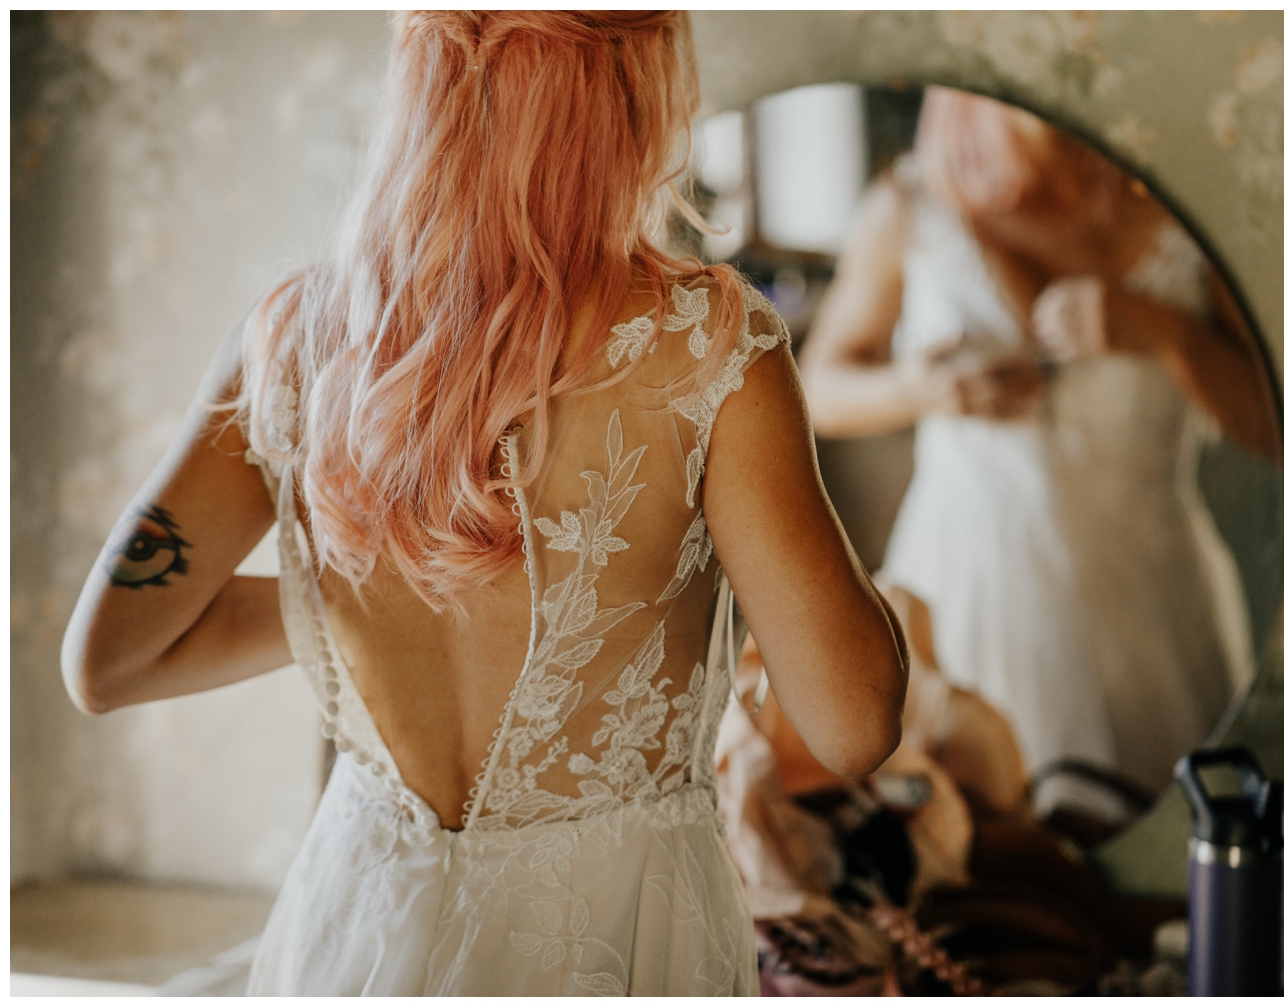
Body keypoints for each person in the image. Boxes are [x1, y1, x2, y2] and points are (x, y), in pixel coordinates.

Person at [60, 12, 907, 996]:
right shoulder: (712, 346)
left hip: (360, 920)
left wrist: (358, 602)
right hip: (610, 926)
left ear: (420, 91)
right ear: (635, 97)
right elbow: (855, 725)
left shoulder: (295, 337)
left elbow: (107, 658)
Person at [799, 86, 1278, 822]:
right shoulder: (911, 203)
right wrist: (925, 389)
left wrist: (1166, 333)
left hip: (1156, 613)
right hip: (965, 601)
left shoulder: (1183, 201)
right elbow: (817, 389)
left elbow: (1275, 428)